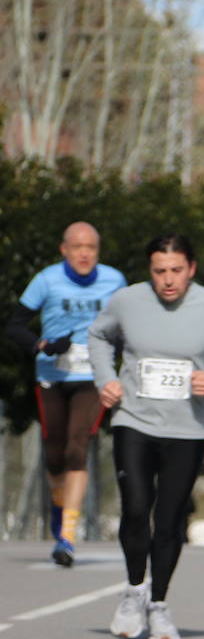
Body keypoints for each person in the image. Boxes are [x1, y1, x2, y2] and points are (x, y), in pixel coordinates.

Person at [88, 234, 204, 639]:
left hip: (187, 428)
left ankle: (158, 603)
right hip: (134, 420)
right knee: (135, 505)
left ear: (191, 269)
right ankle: (132, 592)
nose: (168, 280)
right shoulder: (127, 301)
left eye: (176, 270)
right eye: (159, 271)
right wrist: (105, 380)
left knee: (170, 519)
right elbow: (98, 337)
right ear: (150, 271)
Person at [7, 222, 126, 566]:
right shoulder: (46, 280)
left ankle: (67, 536)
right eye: (77, 247)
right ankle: (61, 513)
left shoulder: (114, 280)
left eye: (91, 247)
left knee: (78, 447)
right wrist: (40, 344)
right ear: (64, 250)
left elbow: (129, 323)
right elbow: (15, 325)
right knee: (55, 455)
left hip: (93, 375)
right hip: (53, 374)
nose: (85, 254)